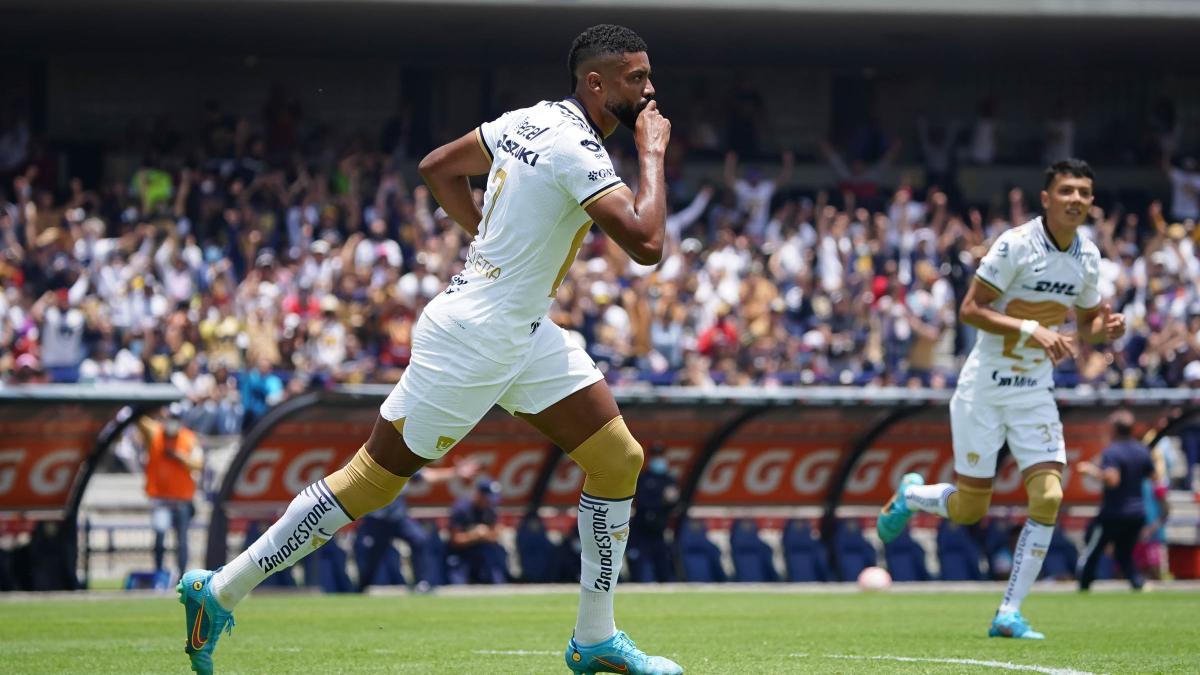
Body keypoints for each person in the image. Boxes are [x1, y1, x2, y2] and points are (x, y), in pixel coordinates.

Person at [177, 24, 682, 675]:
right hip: (474, 338)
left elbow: (438, 168)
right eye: (636, 78)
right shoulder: (577, 151)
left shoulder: (531, 120)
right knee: (368, 481)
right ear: (596, 82)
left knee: (618, 457)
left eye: (648, 77)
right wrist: (654, 154)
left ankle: (595, 637)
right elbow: (646, 243)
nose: (649, 90)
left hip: (518, 327)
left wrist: (489, 240)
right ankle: (218, 590)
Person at [876, 159, 1126, 640]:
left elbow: (1090, 326)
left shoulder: (1089, 257)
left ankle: (1008, 613)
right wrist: (1033, 328)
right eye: (1067, 190)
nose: (1077, 199)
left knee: (1050, 495)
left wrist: (1106, 330)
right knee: (971, 508)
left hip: (1034, 391)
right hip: (984, 390)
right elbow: (970, 310)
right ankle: (910, 496)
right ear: (1046, 198)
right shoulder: (1015, 244)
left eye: (1085, 192)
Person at [356, 459, 478, 591]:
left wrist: (456, 473)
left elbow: (428, 476)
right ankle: (362, 587)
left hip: (398, 516)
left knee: (420, 539)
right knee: (372, 555)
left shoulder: (402, 462)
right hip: (376, 518)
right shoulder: (375, 460)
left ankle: (422, 583)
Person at [1074, 410, 1158, 591]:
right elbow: (1154, 476)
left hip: (1115, 512)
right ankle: (1137, 583)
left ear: (1114, 429)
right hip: (1137, 513)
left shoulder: (1112, 452)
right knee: (1123, 553)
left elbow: (1112, 480)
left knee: (1092, 546)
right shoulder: (1142, 450)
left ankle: (1084, 584)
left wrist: (1091, 471)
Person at [135, 408, 202, 576]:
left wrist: (181, 458)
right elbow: (140, 419)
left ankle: (182, 576)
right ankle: (159, 573)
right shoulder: (156, 434)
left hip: (182, 500)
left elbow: (198, 463)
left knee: (182, 541)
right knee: (159, 537)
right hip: (161, 499)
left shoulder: (189, 438)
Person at [627, 443, 679, 582]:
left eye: (661, 456)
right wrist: (663, 500)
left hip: (659, 532)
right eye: (656, 456)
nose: (659, 460)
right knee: (639, 571)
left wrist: (670, 501)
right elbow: (643, 503)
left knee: (664, 571)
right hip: (641, 531)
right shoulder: (643, 478)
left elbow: (674, 503)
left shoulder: (669, 479)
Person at [445, 477, 508, 585]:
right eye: (487, 498)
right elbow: (454, 540)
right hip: (462, 553)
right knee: (457, 585)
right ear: (479, 494)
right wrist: (473, 535)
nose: (489, 501)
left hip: (483, 552)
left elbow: (496, 535)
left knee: (497, 578)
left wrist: (484, 534)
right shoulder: (462, 508)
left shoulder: (490, 509)